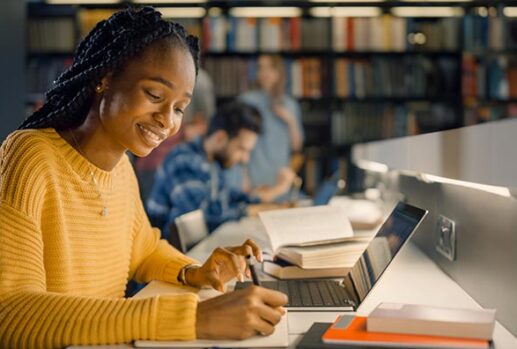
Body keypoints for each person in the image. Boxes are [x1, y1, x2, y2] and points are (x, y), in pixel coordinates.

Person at [0, 7, 287, 348]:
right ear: (104, 78)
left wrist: (195, 271)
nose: (168, 121)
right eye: (154, 95)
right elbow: (12, 313)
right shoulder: (30, 155)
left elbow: (143, 250)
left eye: (179, 107)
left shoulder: (121, 166)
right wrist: (193, 319)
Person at [146, 101, 293, 236]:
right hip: (171, 254)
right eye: (242, 149)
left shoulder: (212, 162)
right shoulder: (184, 162)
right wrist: (253, 211)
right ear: (220, 138)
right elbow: (201, 220)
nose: (245, 159)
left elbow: (227, 198)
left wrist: (266, 200)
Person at [225, 54, 304, 199]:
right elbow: (236, 142)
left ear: (279, 72)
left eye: (270, 68)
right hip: (255, 180)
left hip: (281, 181)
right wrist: (243, 176)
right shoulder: (247, 100)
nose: (265, 73)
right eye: (261, 68)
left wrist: (290, 121)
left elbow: (297, 146)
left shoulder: (290, 104)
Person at [134, 68, 215, 202]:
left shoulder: (193, 80)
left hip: (154, 161)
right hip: (158, 162)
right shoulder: (199, 81)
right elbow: (202, 125)